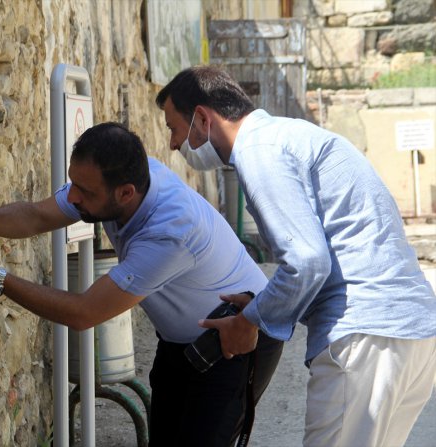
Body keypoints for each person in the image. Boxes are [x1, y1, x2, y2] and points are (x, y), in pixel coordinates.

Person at [0, 122, 283, 446]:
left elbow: (84, 313)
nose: (73, 197)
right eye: (72, 183)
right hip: (182, 342)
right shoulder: (123, 179)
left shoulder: (170, 230)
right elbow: (37, 215)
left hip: (237, 337)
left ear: (125, 193)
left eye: (84, 191)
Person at [156, 66, 436, 447]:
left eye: (174, 128)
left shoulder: (259, 150)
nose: (173, 145)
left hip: (363, 338)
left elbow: (307, 261)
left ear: (203, 118)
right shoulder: (292, 136)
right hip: (412, 333)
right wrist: (262, 304)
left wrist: (250, 321)